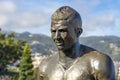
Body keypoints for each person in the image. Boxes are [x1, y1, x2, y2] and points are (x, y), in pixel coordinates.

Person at [38, 6, 115, 80]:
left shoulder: (98, 63)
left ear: (78, 32)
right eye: (53, 31)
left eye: (63, 31)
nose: (56, 37)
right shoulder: (45, 66)